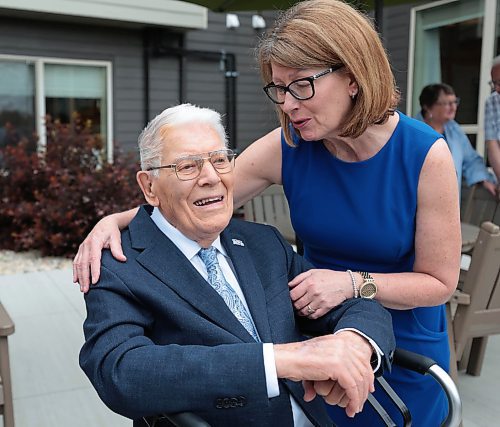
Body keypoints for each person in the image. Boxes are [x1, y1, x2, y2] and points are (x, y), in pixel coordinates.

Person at [74, 1, 461, 425]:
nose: (288, 103)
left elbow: (440, 282)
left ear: (353, 77)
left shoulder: (424, 156)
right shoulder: (292, 144)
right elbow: (202, 190)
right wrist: (116, 220)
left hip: (395, 334)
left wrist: (351, 290)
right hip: (314, 332)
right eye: (278, 88)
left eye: (301, 85)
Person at [79, 103, 395, 427]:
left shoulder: (263, 243)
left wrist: (352, 343)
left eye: (220, 160)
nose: (211, 177)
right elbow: (120, 371)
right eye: (188, 166)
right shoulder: (119, 264)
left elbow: (355, 308)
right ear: (149, 187)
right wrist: (282, 361)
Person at [416, 83, 497, 196]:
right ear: (428, 106)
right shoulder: (413, 132)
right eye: (447, 103)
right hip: (419, 199)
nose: (453, 107)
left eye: (455, 102)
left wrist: (484, 179)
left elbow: (471, 160)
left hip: (448, 201)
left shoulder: (454, 130)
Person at [485, 55, 500, 181]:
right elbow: (492, 144)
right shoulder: (492, 101)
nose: (496, 88)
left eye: (499, 82)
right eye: (493, 83)